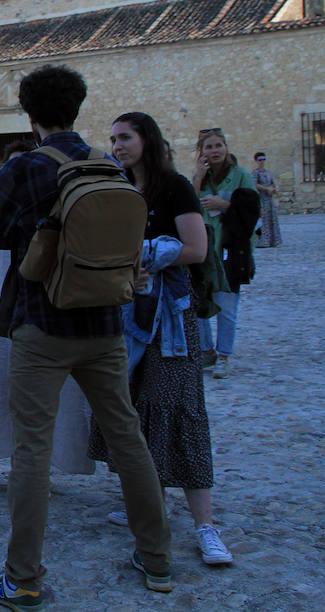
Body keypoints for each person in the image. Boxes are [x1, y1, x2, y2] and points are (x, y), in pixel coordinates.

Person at [0, 65, 171, 605]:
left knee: (32, 449)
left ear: (30, 113)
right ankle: (157, 559)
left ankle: (23, 577)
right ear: (78, 107)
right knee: (127, 437)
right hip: (106, 321)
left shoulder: (25, 168)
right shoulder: (108, 165)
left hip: (42, 320)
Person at [85, 112, 233, 567]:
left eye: (125, 137)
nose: (118, 145)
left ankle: (205, 525)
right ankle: (145, 501)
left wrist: (150, 255)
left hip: (170, 318)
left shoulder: (174, 188)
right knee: (130, 407)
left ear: (146, 139)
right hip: (128, 312)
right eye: (112, 138)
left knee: (180, 407)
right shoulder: (119, 187)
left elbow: (196, 248)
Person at [0, 148, 95, 496]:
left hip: (49, 311)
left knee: (45, 393)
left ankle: (36, 469)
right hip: (0, 312)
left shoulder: (57, 214)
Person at [194, 128, 259, 377]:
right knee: (200, 303)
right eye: (209, 147)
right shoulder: (201, 178)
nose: (215, 150)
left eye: (218, 145)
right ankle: (205, 351)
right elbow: (189, 207)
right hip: (205, 251)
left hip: (231, 252)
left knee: (227, 305)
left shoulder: (241, 176)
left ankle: (224, 354)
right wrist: (198, 178)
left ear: (226, 147)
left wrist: (226, 205)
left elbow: (251, 211)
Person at [251, 153, 282, 248]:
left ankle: (274, 241)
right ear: (256, 161)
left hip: (269, 199)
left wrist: (275, 189)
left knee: (272, 219)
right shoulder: (255, 173)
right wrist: (266, 189)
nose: (262, 161)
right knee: (265, 220)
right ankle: (264, 241)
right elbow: (254, 184)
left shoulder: (268, 172)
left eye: (263, 159)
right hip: (261, 199)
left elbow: (273, 182)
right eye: (260, 159)